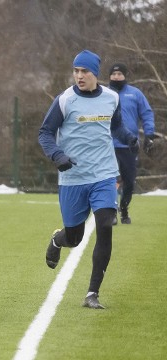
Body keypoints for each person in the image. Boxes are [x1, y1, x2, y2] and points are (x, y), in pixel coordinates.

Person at [39, 50, 138, 309]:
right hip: (73, 179)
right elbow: (46, 133)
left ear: (96, 74)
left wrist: (129, 137)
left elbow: (115, 126)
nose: (79, 76)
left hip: (104, 174)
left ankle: (92, 293)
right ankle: (56, 241)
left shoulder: (112, 98)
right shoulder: (65, 100)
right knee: (74, 238)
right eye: (76, 71)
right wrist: (57, 155)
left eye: (85, 71)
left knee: (105, 224)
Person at [108, 62, 156, 225]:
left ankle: (124, 208)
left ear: (125, 76)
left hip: (129, 146)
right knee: (111, 180)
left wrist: (149, 135)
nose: (116, 77)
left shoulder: (135, 94)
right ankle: (112, 212)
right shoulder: (104, 94)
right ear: (109, 76)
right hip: (108, 145)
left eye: (119, 74)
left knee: (129, 182)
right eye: (113, 74)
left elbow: (147, 114)